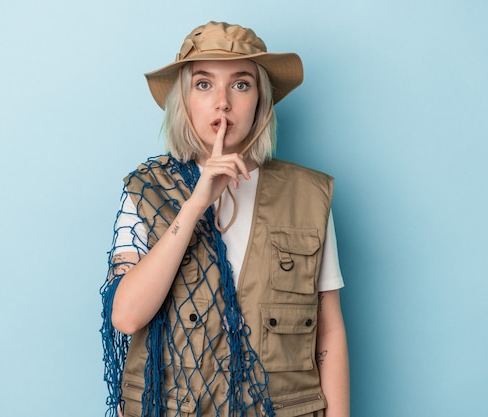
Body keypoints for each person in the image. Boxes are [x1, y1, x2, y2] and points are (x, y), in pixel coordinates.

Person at [101, 21, 349, 417]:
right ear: (183, 100)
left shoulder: (308, 195)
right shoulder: (145, 189)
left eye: (240, 84)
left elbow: (329, 329)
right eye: (203, 84)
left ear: (261, 101)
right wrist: (198, 201)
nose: (222, 102)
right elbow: (126, 317)